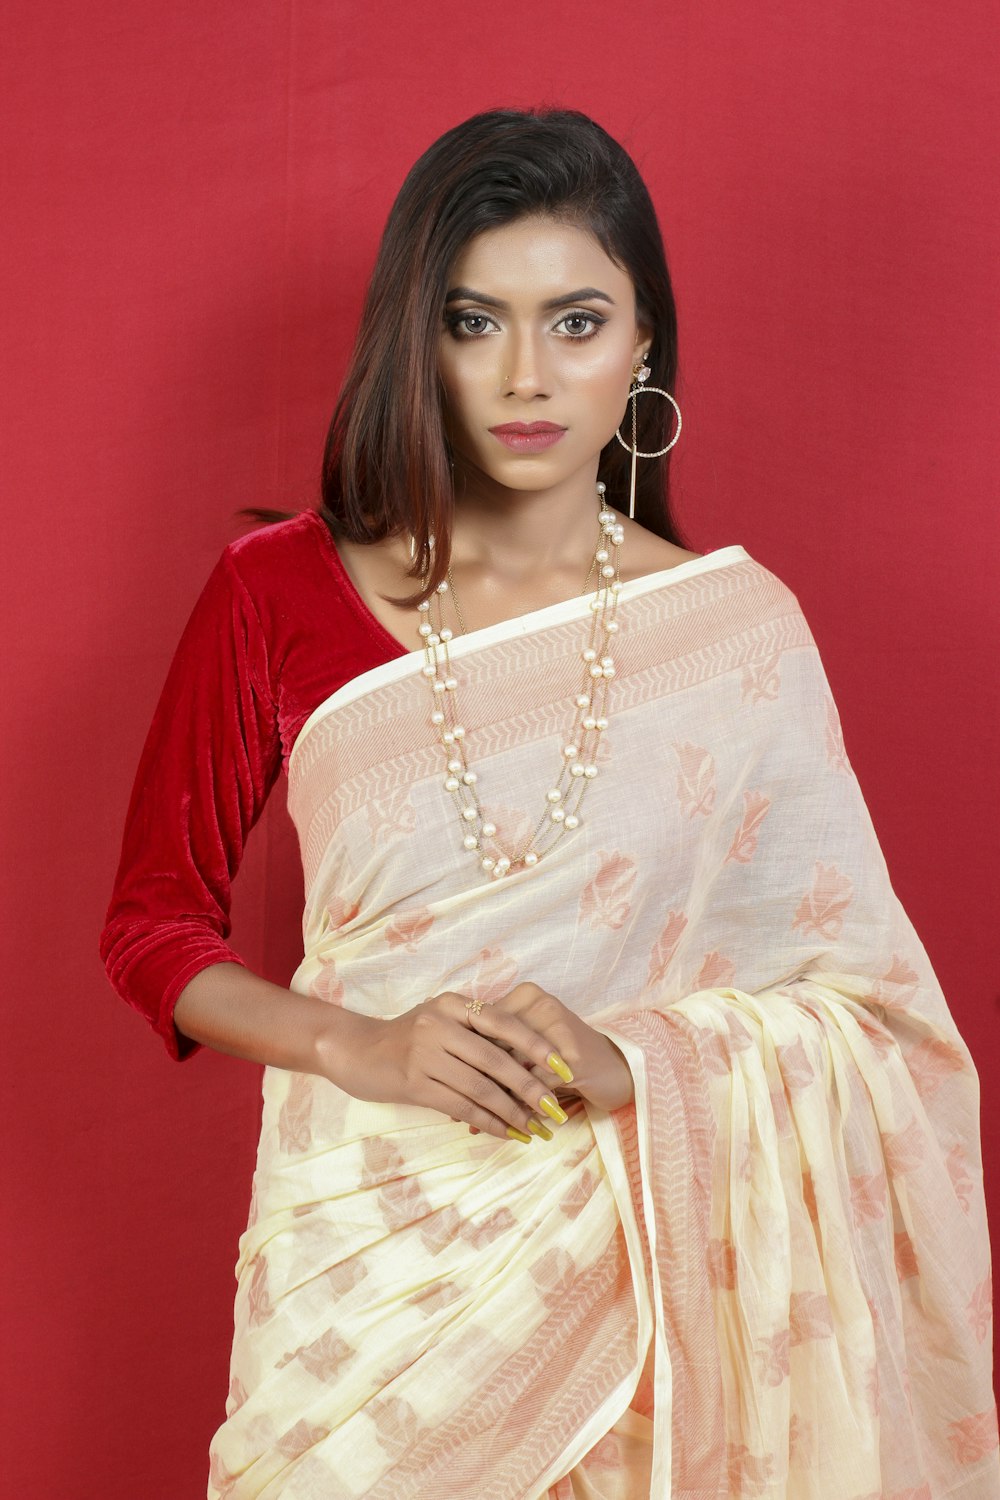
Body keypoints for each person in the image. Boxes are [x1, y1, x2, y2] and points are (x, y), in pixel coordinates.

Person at [100, 108, 998, 1499]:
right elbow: (152, 926)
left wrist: (642, 1063)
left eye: (576, 323)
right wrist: (359, 1048)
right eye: (475, 322)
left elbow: (875, 1021)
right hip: (366, 1284)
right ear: (421, 339)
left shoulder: (734, 632)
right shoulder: (277, 592)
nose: (527, 375)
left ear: (643, 346)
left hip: (644, 1278)